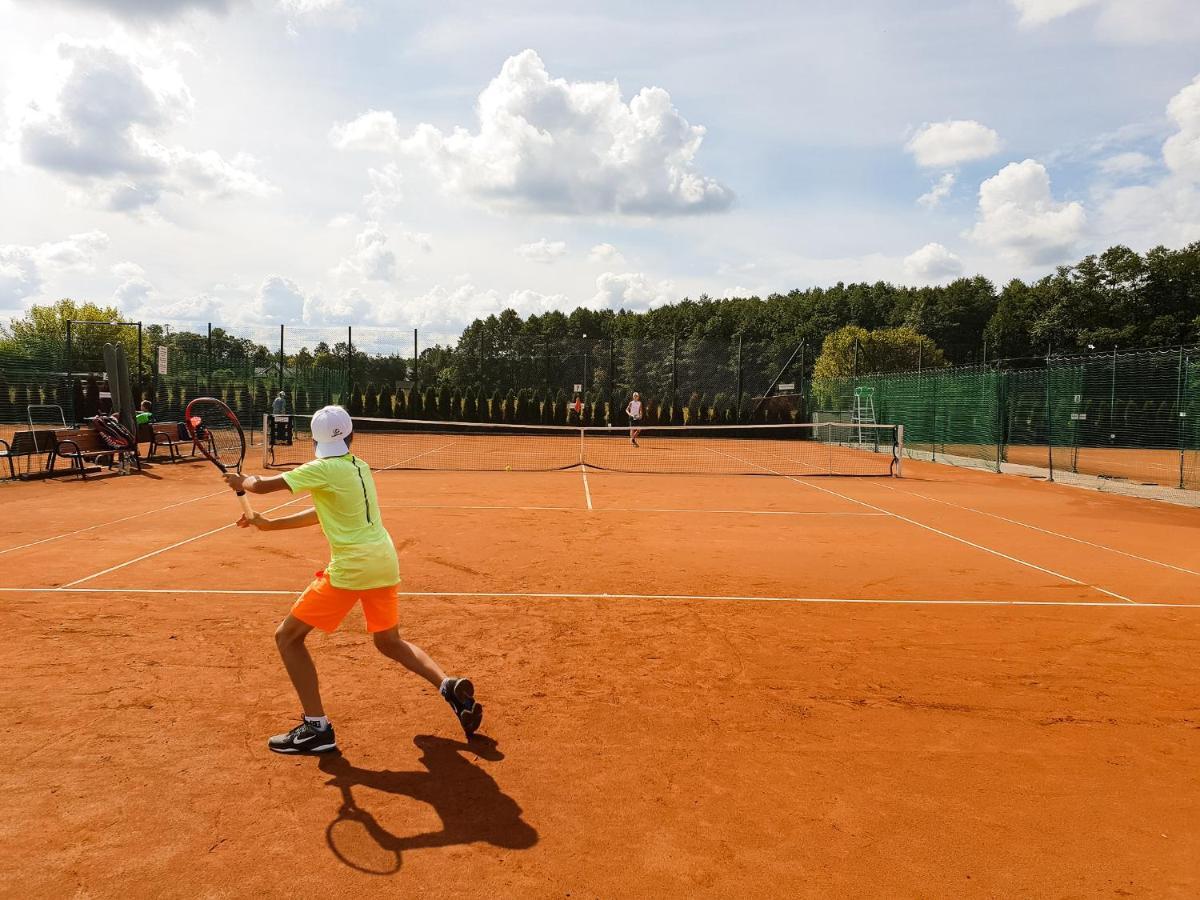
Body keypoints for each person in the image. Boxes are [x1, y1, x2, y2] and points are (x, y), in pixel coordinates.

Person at [222, 405, 483, 755]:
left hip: (352, 567)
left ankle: (317, 729)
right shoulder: (357, 467)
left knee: (287, 638)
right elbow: (322, 511)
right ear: (350, 434)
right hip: (383, 561)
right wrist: (268, 524)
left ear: (315, 438)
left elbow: (267, 485)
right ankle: (447, 685)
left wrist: (244, 482)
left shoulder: (322, 467)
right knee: (389, 642)